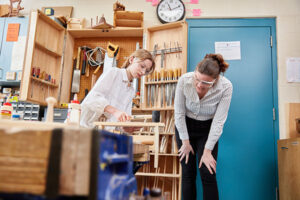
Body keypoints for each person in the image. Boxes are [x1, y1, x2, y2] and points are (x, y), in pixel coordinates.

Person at [174, 53, 233, 200]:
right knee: (188, 173)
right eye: (197, 79)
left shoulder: (226, 87)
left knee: (208, 172)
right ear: (195, 72)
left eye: (206, 83)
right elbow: (179, 113)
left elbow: (219, 121)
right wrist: (185, 143)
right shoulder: (184, 80)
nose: (200, 85)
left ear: (216, 79)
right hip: (185, 127)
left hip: (207, 129)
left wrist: (207, 151)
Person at [80, 49, 155, 129]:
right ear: (132, 59)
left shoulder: (131, 91)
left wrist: (127, 128)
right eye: (142, 66)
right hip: (85, 129)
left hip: (104, 135)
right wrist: (114, 111)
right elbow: (92, 98)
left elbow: (123, 119)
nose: (143, 72)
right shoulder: (114, 73)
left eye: (146, 71)